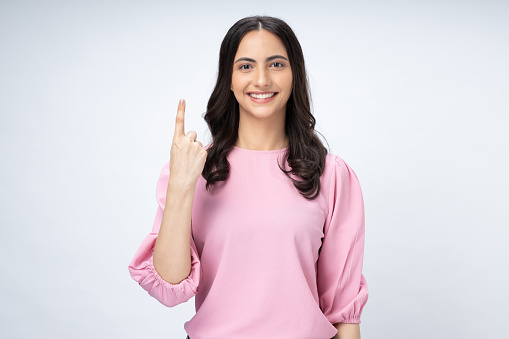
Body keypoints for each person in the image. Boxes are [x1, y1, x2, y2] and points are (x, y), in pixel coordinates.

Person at [128, 15, 369, 339]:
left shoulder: (332, 176)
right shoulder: (193, 170)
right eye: (245, 66)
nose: (261, 79)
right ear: (228, 77)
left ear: (295, 74)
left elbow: (344, 311)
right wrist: (182, 185)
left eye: (276, 64)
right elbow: (169, 287)